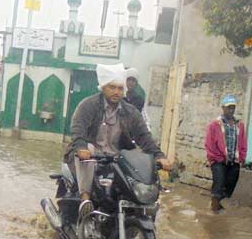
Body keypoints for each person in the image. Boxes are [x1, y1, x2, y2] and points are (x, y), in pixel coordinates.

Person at [65, 63, 173, 220]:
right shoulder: (88, 105)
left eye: (120, 88)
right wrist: (81, 147)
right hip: (90, 156)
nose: (116, 92)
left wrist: (158, 156)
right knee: (88, 148)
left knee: (137, 163)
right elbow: (78, 129)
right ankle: (85, 199)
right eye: (112, 87)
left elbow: (144, 136)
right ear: (103, 88)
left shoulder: (131, 111)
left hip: (116, 159)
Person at [204, 94, 248, 213]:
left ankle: (215, 203)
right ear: (223, 108)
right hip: (219, 161)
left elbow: (243, 143)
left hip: (234, 161)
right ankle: (214, 211)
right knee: (218, 185)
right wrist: (216, 158)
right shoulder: (215, 125)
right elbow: (209, 144)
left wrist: (242, 158)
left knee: (229, 188)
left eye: (233, 107)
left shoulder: (239, 125)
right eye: (229, 107)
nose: (231, 110)